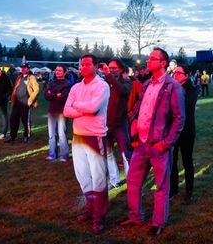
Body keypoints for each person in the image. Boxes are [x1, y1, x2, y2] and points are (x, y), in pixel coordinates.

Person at [118, 47, 185, 237]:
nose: (148, 61)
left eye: (152, 58)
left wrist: (166, 143)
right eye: (149, 58)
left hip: (159, 146)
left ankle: (158, 222)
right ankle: (136, 216)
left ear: (163, 63)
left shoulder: (173, 86)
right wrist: (134, 134)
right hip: (141, 144)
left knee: (161, 187)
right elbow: (139, 110)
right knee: (132, 181)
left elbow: (179, 119)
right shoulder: (147, 83)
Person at [63, 54, 110, 234]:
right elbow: (67, 110)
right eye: (81, 64)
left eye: (87, 64)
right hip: (78, 136)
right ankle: (91, 210)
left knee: (98, 177)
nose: (82, 67)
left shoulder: (102, 86)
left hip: (94, 135)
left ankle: (100, 216)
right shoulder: (75, 87)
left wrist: (78, 106)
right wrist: (83, 107)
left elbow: (93, 108)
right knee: (83, 176)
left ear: (96, 66)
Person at [100, 58, 132, 189]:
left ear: (121, 69)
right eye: (110, 68)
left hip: (119, 124)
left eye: (114, 68)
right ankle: (114, 180)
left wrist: (108, 75)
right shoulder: (104, 83)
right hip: (106, 124)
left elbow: (122, 90)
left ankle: (131, 180)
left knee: (126, 153)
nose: (112, 70)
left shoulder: (126, 82)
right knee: (108, 153)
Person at [170, 64, 198, 204]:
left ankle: (189, 191)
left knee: (187, 161)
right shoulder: (172, 87)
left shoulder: (192, 89)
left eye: (179, 73)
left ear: (187, 75)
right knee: (172, 161)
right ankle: (173, 189)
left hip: (186, 130)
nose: (176, 75)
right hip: (173, 131)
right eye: (175, 73)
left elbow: (182, 106)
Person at [5, 63, 39, 144]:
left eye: (25, 68)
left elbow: (36, 90)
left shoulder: (31, 77)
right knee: (13, 119)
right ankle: (13, 137)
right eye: (22, 68)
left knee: (25, 121)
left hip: (25, 102)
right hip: (17, 102)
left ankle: (27, 136)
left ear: (28, 69)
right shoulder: (19, 77)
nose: (23, 69)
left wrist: (30, 100)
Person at [44, 65, 72, 161]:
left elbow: (63, 97)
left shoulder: (67, 84)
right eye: (56, 70)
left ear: (64, 72)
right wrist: (56, 95)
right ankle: (52, 154)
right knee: (51, 134)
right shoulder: (52, 83)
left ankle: (64, 155)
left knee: (61, 133)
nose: (57, 72)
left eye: (60, 70)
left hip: (62, 111)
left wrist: (52, 94)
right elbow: (46, 95)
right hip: (52, 111)